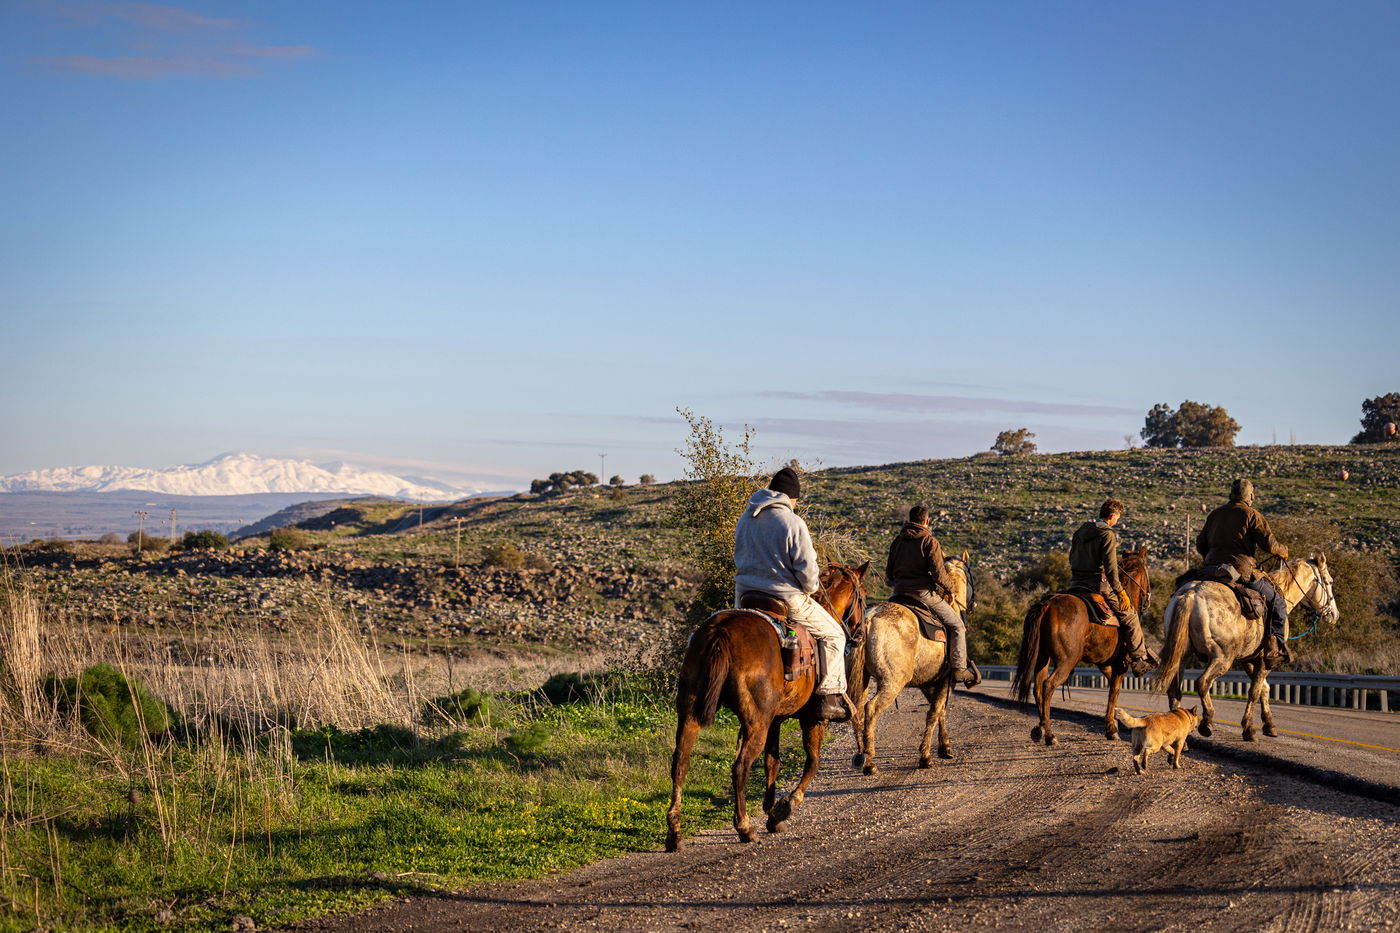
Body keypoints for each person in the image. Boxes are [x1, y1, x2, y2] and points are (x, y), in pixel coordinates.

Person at [733, 466, 850, 721]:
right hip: (784, 598)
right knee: (835, 635)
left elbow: (738, 556)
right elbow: (808, 574)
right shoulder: (792, 522)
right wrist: (810, 588)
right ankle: (828, 698)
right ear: (790, 497)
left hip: (744, 596)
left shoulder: (746, 517)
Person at [1197, 479, 1291, 664]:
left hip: (1209, 569)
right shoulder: (1252, 514)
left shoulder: (1215, 514)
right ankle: (1274, 647)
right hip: (1241, 571)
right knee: (1278, 602)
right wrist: (1283, 551)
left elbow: (1200, 544)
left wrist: (1212, 558)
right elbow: (1270, 546)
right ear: (1250, 496)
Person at [886, 505, 979, 687]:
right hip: (923, 594)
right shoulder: (930, 541)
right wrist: (951, 589)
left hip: (898, 594)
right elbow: (939, 574)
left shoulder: (897, 541)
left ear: (909, 520)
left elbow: (889, 573)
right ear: (927, 521)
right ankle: (959, 668)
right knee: (957, 626)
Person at [1068, 498, 1157, 675]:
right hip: (1096, 584)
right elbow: (1110, 570)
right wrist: (1120, 592)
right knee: (1131, 616)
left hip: (1075, 582)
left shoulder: (1080, 531)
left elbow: (1071, 558)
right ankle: (1139, 660)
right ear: (1112, 516)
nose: (1117, 521)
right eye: (1118, 517)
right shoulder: (1107, 534)